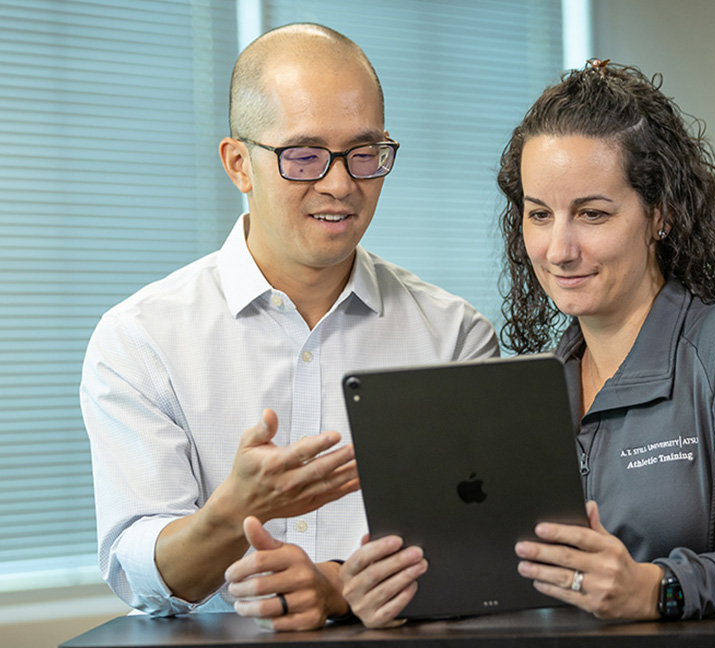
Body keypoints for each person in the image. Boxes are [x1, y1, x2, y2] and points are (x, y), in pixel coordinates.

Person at [340, 60, 715, 625]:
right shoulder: (538, 386)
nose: (558, 249)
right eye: (539, 214)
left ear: (661, 214)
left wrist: (658, 588)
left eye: (592, 214)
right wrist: (385, 590)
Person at [80, 23, 498, 630]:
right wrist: (232, 515)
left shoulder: (454, 337)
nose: (341, 184)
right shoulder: (141, 340)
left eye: (364, 153)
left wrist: (336, 587)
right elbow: (140, 572)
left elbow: (481, 545)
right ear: (238, 164)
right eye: (303, 155)